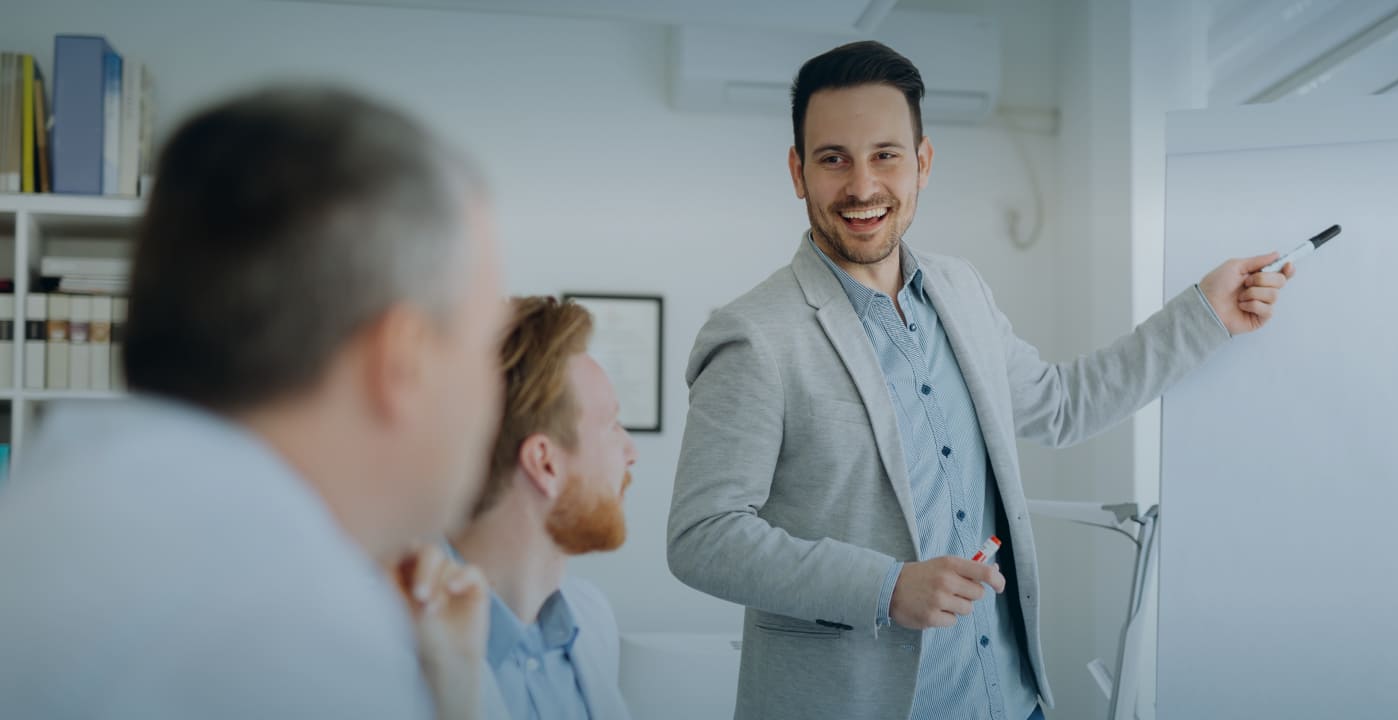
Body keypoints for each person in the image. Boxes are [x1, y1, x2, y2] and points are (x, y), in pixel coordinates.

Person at [666, 41, 1294, 720]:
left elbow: (1060, 406)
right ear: (798, 171)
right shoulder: (756, 334)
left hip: (1010, 701)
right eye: (832, 159)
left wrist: (1203, 316)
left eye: (886, 155)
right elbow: (703, 535)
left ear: (923, 163)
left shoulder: (962, 291)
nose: (862, 186)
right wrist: (886, 587)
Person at [0, 86, 507, 720]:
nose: (494, 391)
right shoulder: (292, 625)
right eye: (486, 344)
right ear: (402, 360)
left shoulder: (62, 506)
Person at [449, 296, 637, 720]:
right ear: (545, 463)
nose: (631, 451)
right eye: (612, 425)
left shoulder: (592, 620)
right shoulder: (387, 646)